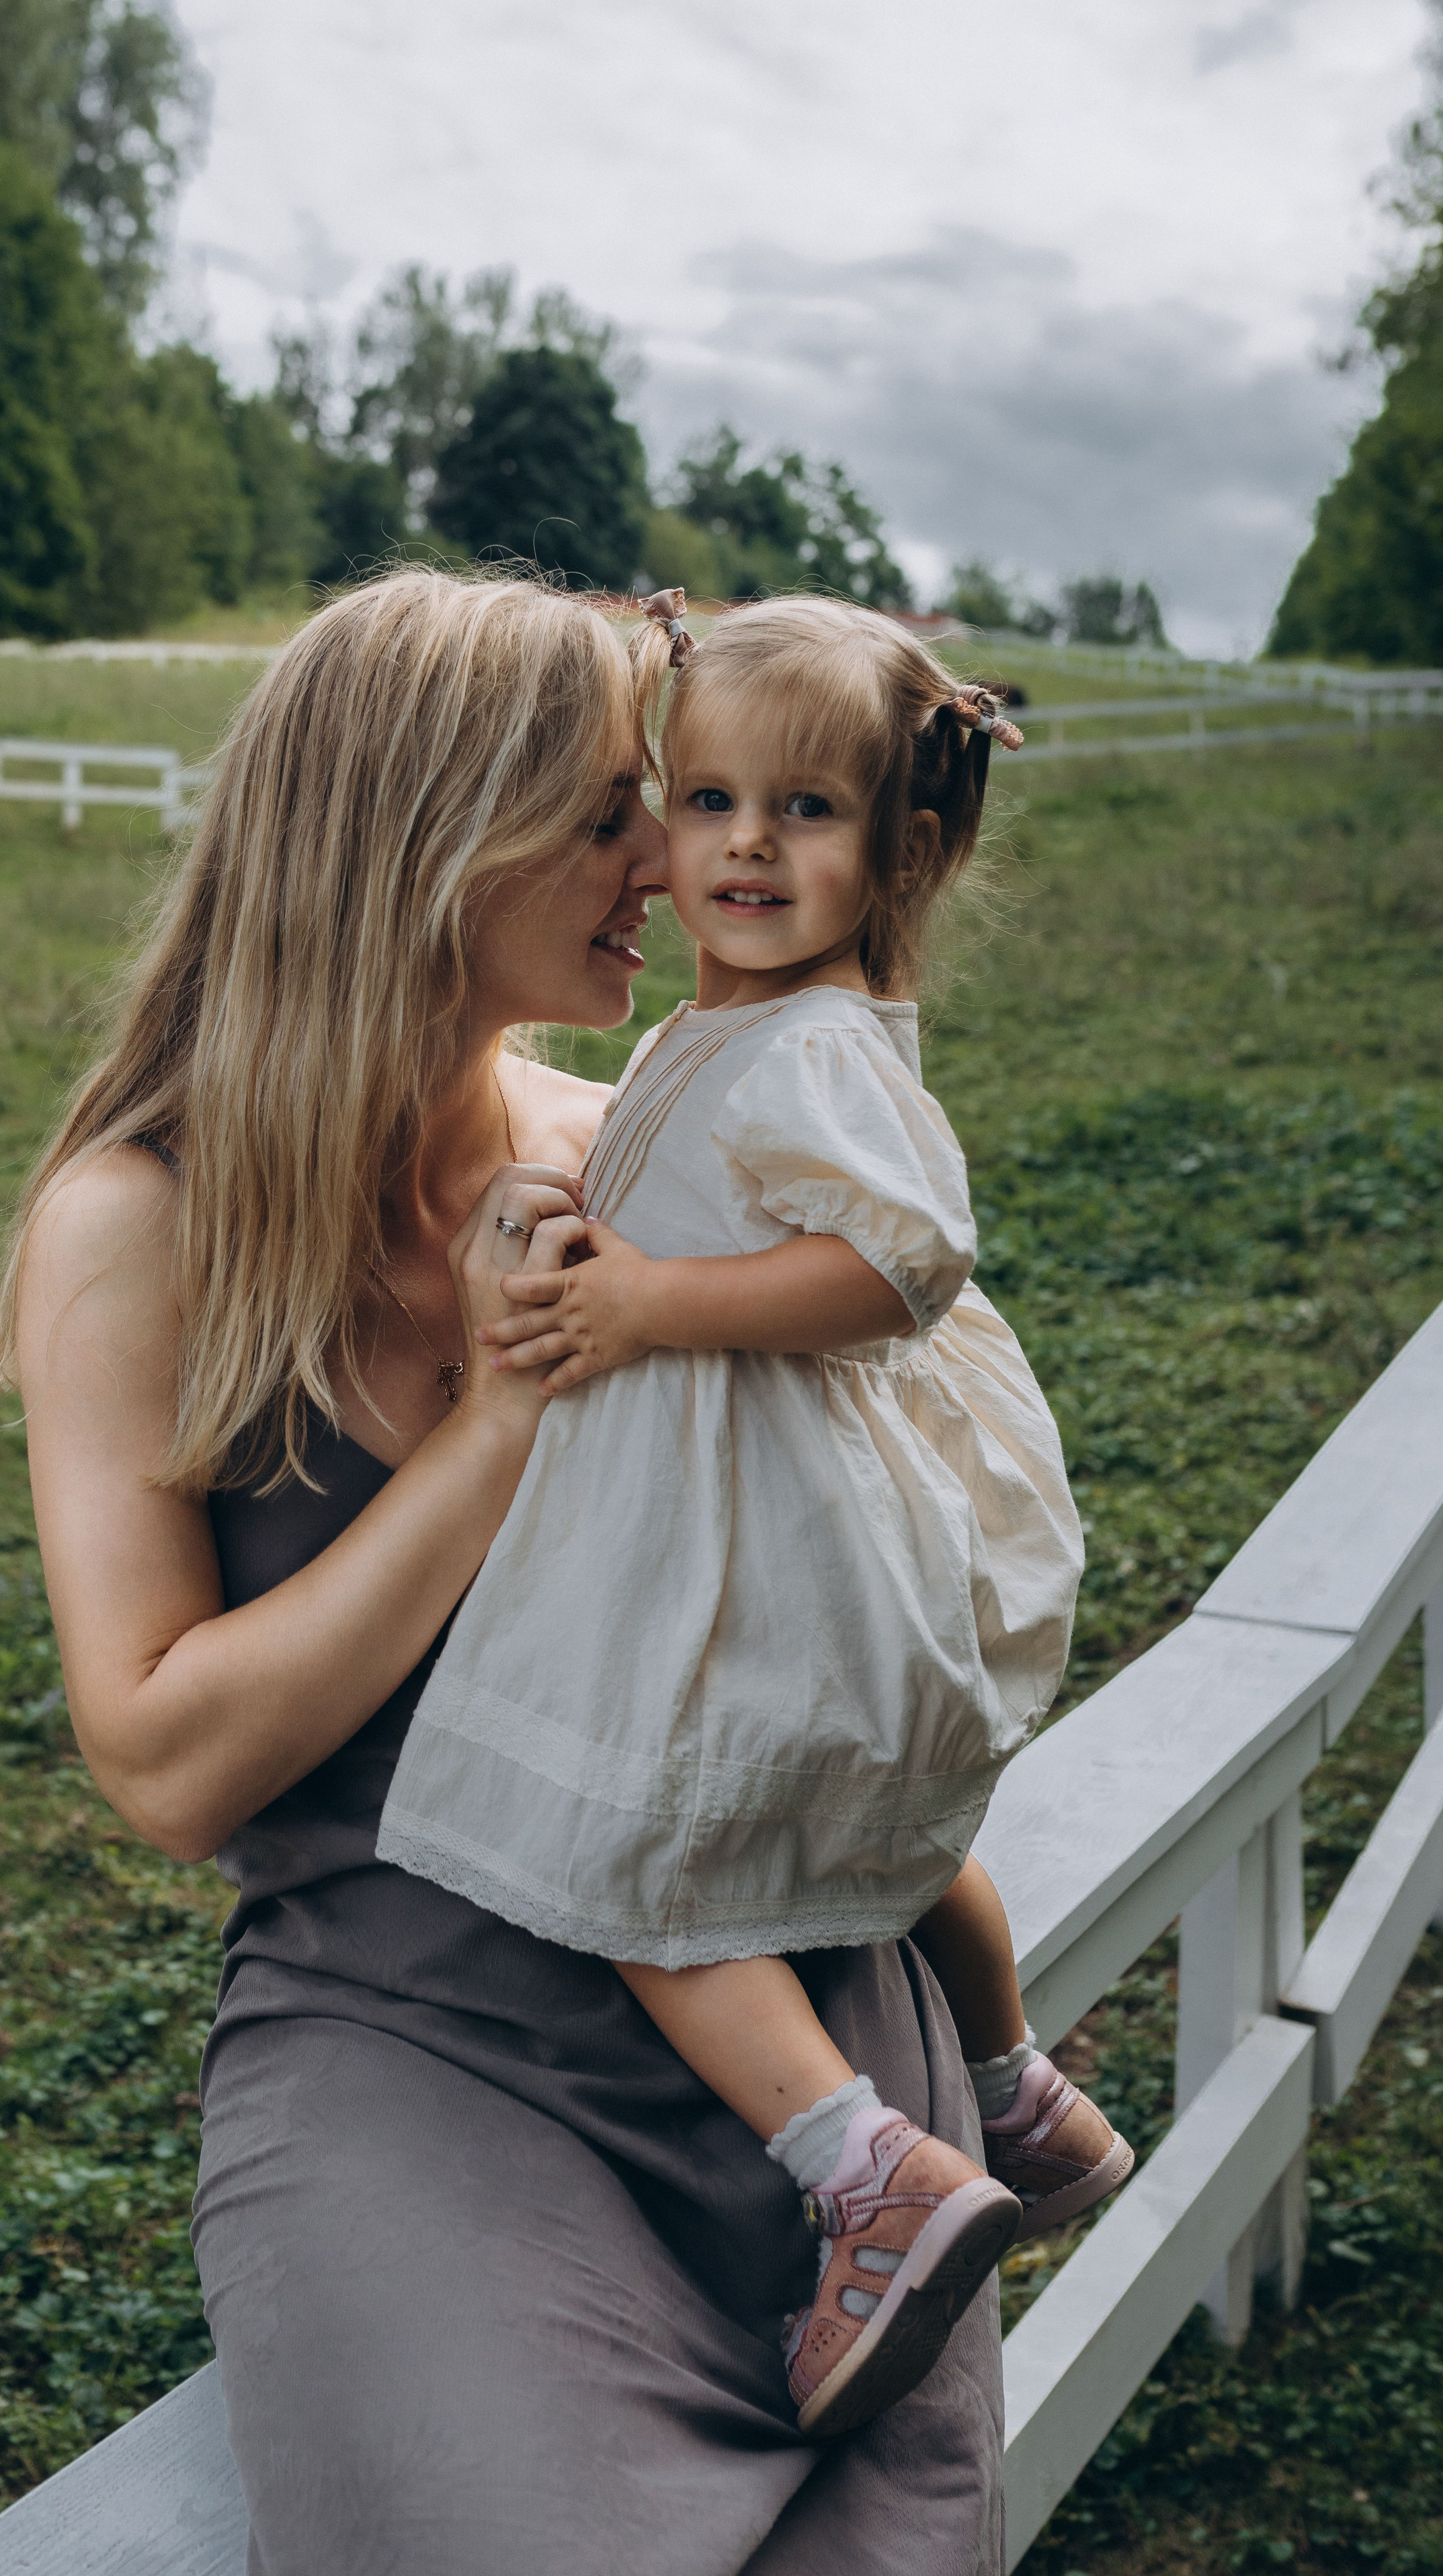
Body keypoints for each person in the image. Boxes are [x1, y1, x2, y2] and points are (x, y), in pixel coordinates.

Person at [0, 567, 1012, 2576]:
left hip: (804, 2044)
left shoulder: (651, 1158)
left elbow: (889, 1562)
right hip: (420, 2047)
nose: (673, 852)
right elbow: (169, 1768)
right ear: (429, 841)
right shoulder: (137, 1225)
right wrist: (500, 1425)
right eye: (620, 805)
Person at [377, 594, 1132, 2438]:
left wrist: (646, 1304)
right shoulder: (743, 1043)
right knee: (891, 1832)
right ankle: (1022, 2096)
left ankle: (871, 2169)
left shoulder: (807, 1050)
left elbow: (902, 1257)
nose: (737, 847)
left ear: (904, 851)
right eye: (703, 797)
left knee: (646, 1867)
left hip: (767, 1530)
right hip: (787, 1517)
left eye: (805, 810)